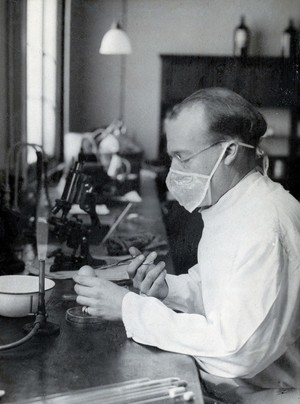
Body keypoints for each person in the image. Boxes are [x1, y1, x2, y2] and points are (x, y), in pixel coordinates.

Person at [73, 88, 300, 403]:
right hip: (242, 383)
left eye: (183, 157)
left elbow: (236, 351)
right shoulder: (234, 203)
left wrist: (128, 307)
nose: (175, 171)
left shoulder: (265, 225)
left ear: (230, 151)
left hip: (267, 392)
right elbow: (221, 287)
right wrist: (169, 290)